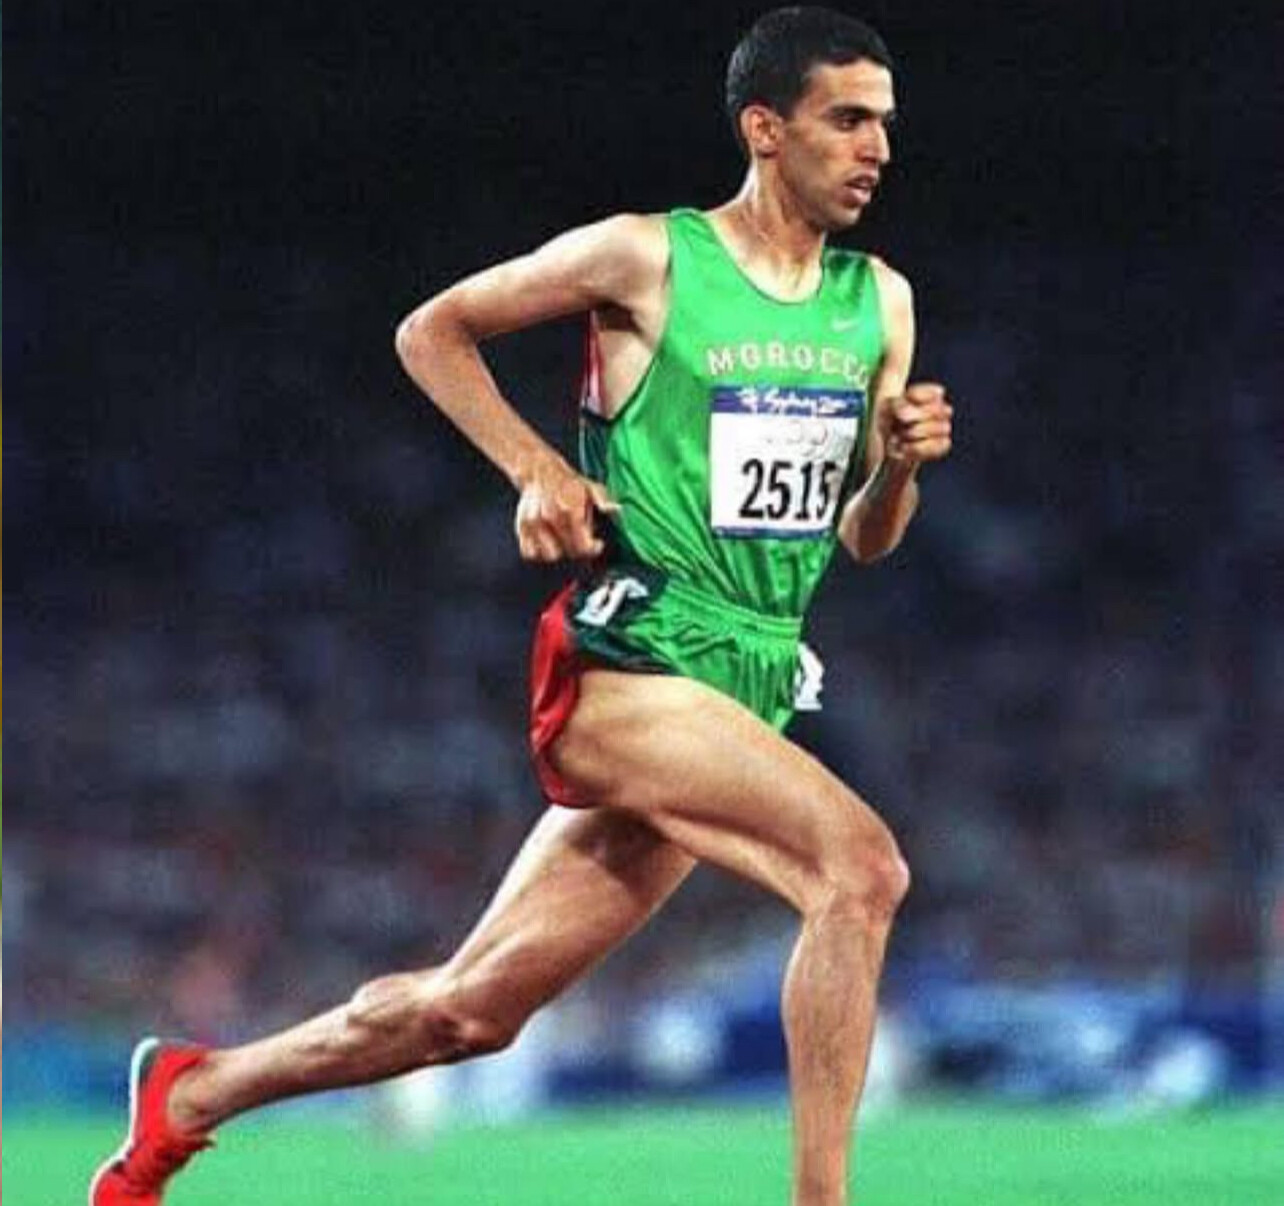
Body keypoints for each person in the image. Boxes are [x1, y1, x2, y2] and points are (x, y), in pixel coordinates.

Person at [90, 7, 953, 1205]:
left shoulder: (878, 303)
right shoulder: (649, 258)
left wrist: (898, 465)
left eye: (886, 125)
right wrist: (538, 468)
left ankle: (189, 1095)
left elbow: (863, 538)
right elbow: (432, 332)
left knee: (472, 1011)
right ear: (766, 128)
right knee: (860, 870)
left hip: (751, 679)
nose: (878, 150)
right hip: (637, 656)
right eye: (848, 119)